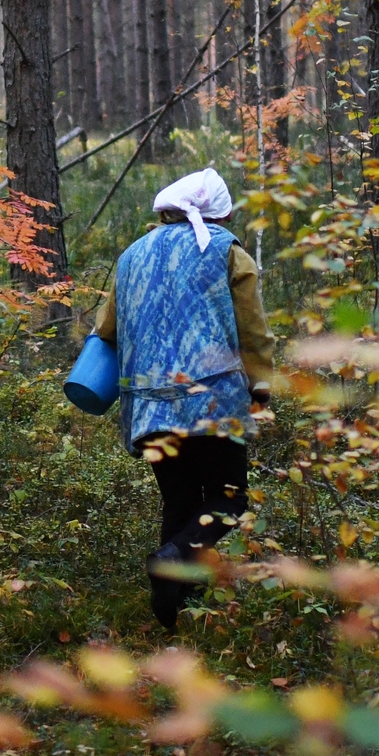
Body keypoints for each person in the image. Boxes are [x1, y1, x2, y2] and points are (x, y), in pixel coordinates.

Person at [90, 168, 274, 629]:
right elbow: (252, 330)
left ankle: (176, 616)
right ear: (220, 210)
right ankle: (171, 562)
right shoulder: (227, 251)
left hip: (148, 406)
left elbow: (105, 332)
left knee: (180, 503)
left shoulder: (131, 256)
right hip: (213, 403)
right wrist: (261, 387)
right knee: (228, 502)